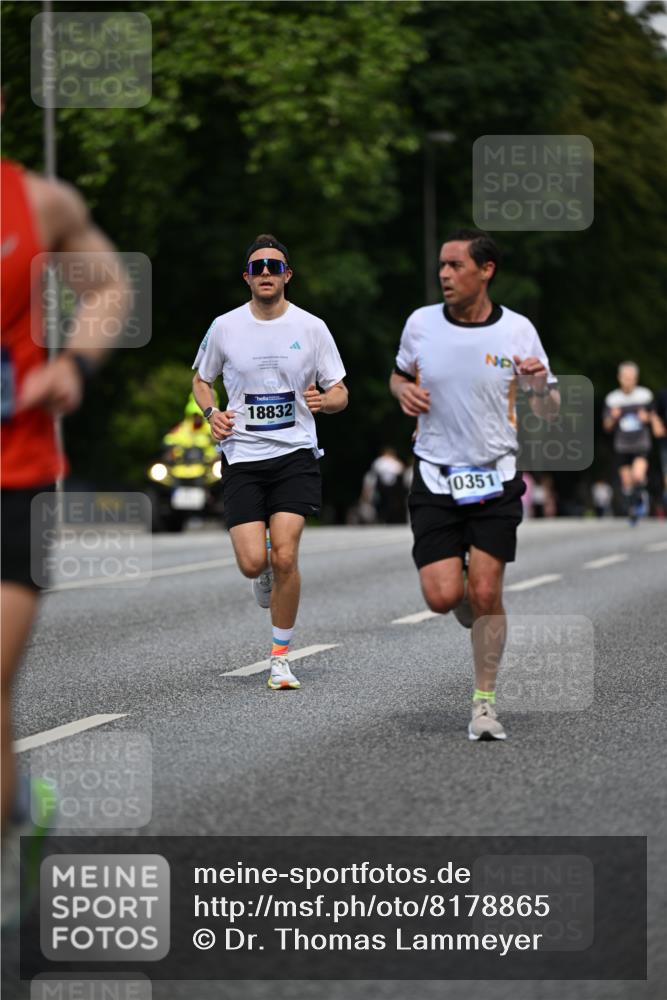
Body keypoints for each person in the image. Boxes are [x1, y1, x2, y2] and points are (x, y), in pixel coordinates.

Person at [1, 155, 128, 919]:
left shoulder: (39, 204)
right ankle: (19, 806)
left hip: (12, 478)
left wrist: (76, 363)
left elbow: (109, 285)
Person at [390, 228, 559, 741]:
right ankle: (462, 593)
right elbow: (398, 375)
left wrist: (536, 386)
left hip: (496, 475)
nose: (444, 274)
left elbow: (548, 408)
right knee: (444, 597)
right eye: (442, 265)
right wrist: (402, 392)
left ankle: (484, 703)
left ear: (485, 271)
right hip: (436, 475)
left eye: (456, 265)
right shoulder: (420, 325)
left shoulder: (518, 331)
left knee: (488, 590)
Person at [192, 234, 347, 690]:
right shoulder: (224, 327)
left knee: (286, 555)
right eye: (257, 267)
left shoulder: (312, 328)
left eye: (273, 267)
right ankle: (260, 570)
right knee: (251, 561)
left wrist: (327, 401)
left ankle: (280, 658)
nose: (265, 273)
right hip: (242, 455)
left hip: (295, 454)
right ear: (246, 276)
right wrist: (211, 413)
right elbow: (201, 379)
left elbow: (339, 390)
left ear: (287, 276)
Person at [602, 362, 654, 523]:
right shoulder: (612, 399)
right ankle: (633, 505)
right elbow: (606, 426)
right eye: (625, 378)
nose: (628, 381)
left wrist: (647, 417)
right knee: (627, 482)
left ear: (636, 379)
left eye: (631, 378)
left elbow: (653, 417)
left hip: (640, 443)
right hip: (622, 445)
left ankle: (640, 501)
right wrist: (613, 417)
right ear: (619, 378)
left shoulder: (644, 395)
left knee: (638, 476)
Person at [362, 446, 407, 524]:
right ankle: (383, 518)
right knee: (384, 503)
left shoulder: (390, 461)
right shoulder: (381, 461)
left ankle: (388, 518)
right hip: (383, 486)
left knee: (389, 503)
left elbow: (401, 470)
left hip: (391, 486)